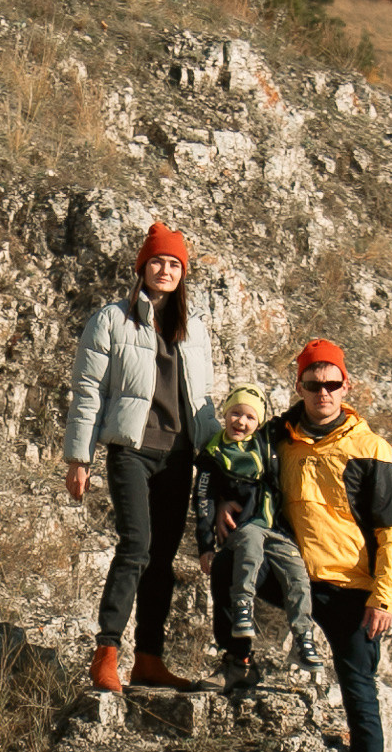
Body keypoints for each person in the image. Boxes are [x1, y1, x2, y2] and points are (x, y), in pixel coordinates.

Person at [63, 223, 219, 693]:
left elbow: (204, 399)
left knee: (164, 559)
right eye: (157, 261)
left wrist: (217, 461)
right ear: (141, 267)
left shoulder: (195, 330)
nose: (165, 270)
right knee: (136, 546)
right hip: (130, 450)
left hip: (178, 457)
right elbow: (88, 390)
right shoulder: (112, 319)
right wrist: (79, 457)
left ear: (183, 272)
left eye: (174, 264)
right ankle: (106, 652)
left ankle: (149, 660)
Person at [276, 336, 392, 752]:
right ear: (301, 386)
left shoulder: (371, 448)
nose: (323, 393)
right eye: (314, 384)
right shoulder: (280, 436)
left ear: (345, 386)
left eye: (332, 384)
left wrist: (383, 596)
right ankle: (236, 662)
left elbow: (391, 530)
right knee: (228, 565)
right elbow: (238, 466)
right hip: (297, 582)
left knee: (360, 695)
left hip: (354, 593)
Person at [195, 380, 329, 704]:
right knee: (240, 559)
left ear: (259, 421)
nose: (241, 422)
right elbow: (203, 500)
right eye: (235, 413)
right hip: (247, 531)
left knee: (297, 574)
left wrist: (316, 386)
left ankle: (303, 636)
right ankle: (239, 645)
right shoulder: (215, 454)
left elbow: (295, 414)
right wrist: (205, 545)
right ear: (225, 414)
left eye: (249, 417)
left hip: (281, 533)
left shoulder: (266, 441)